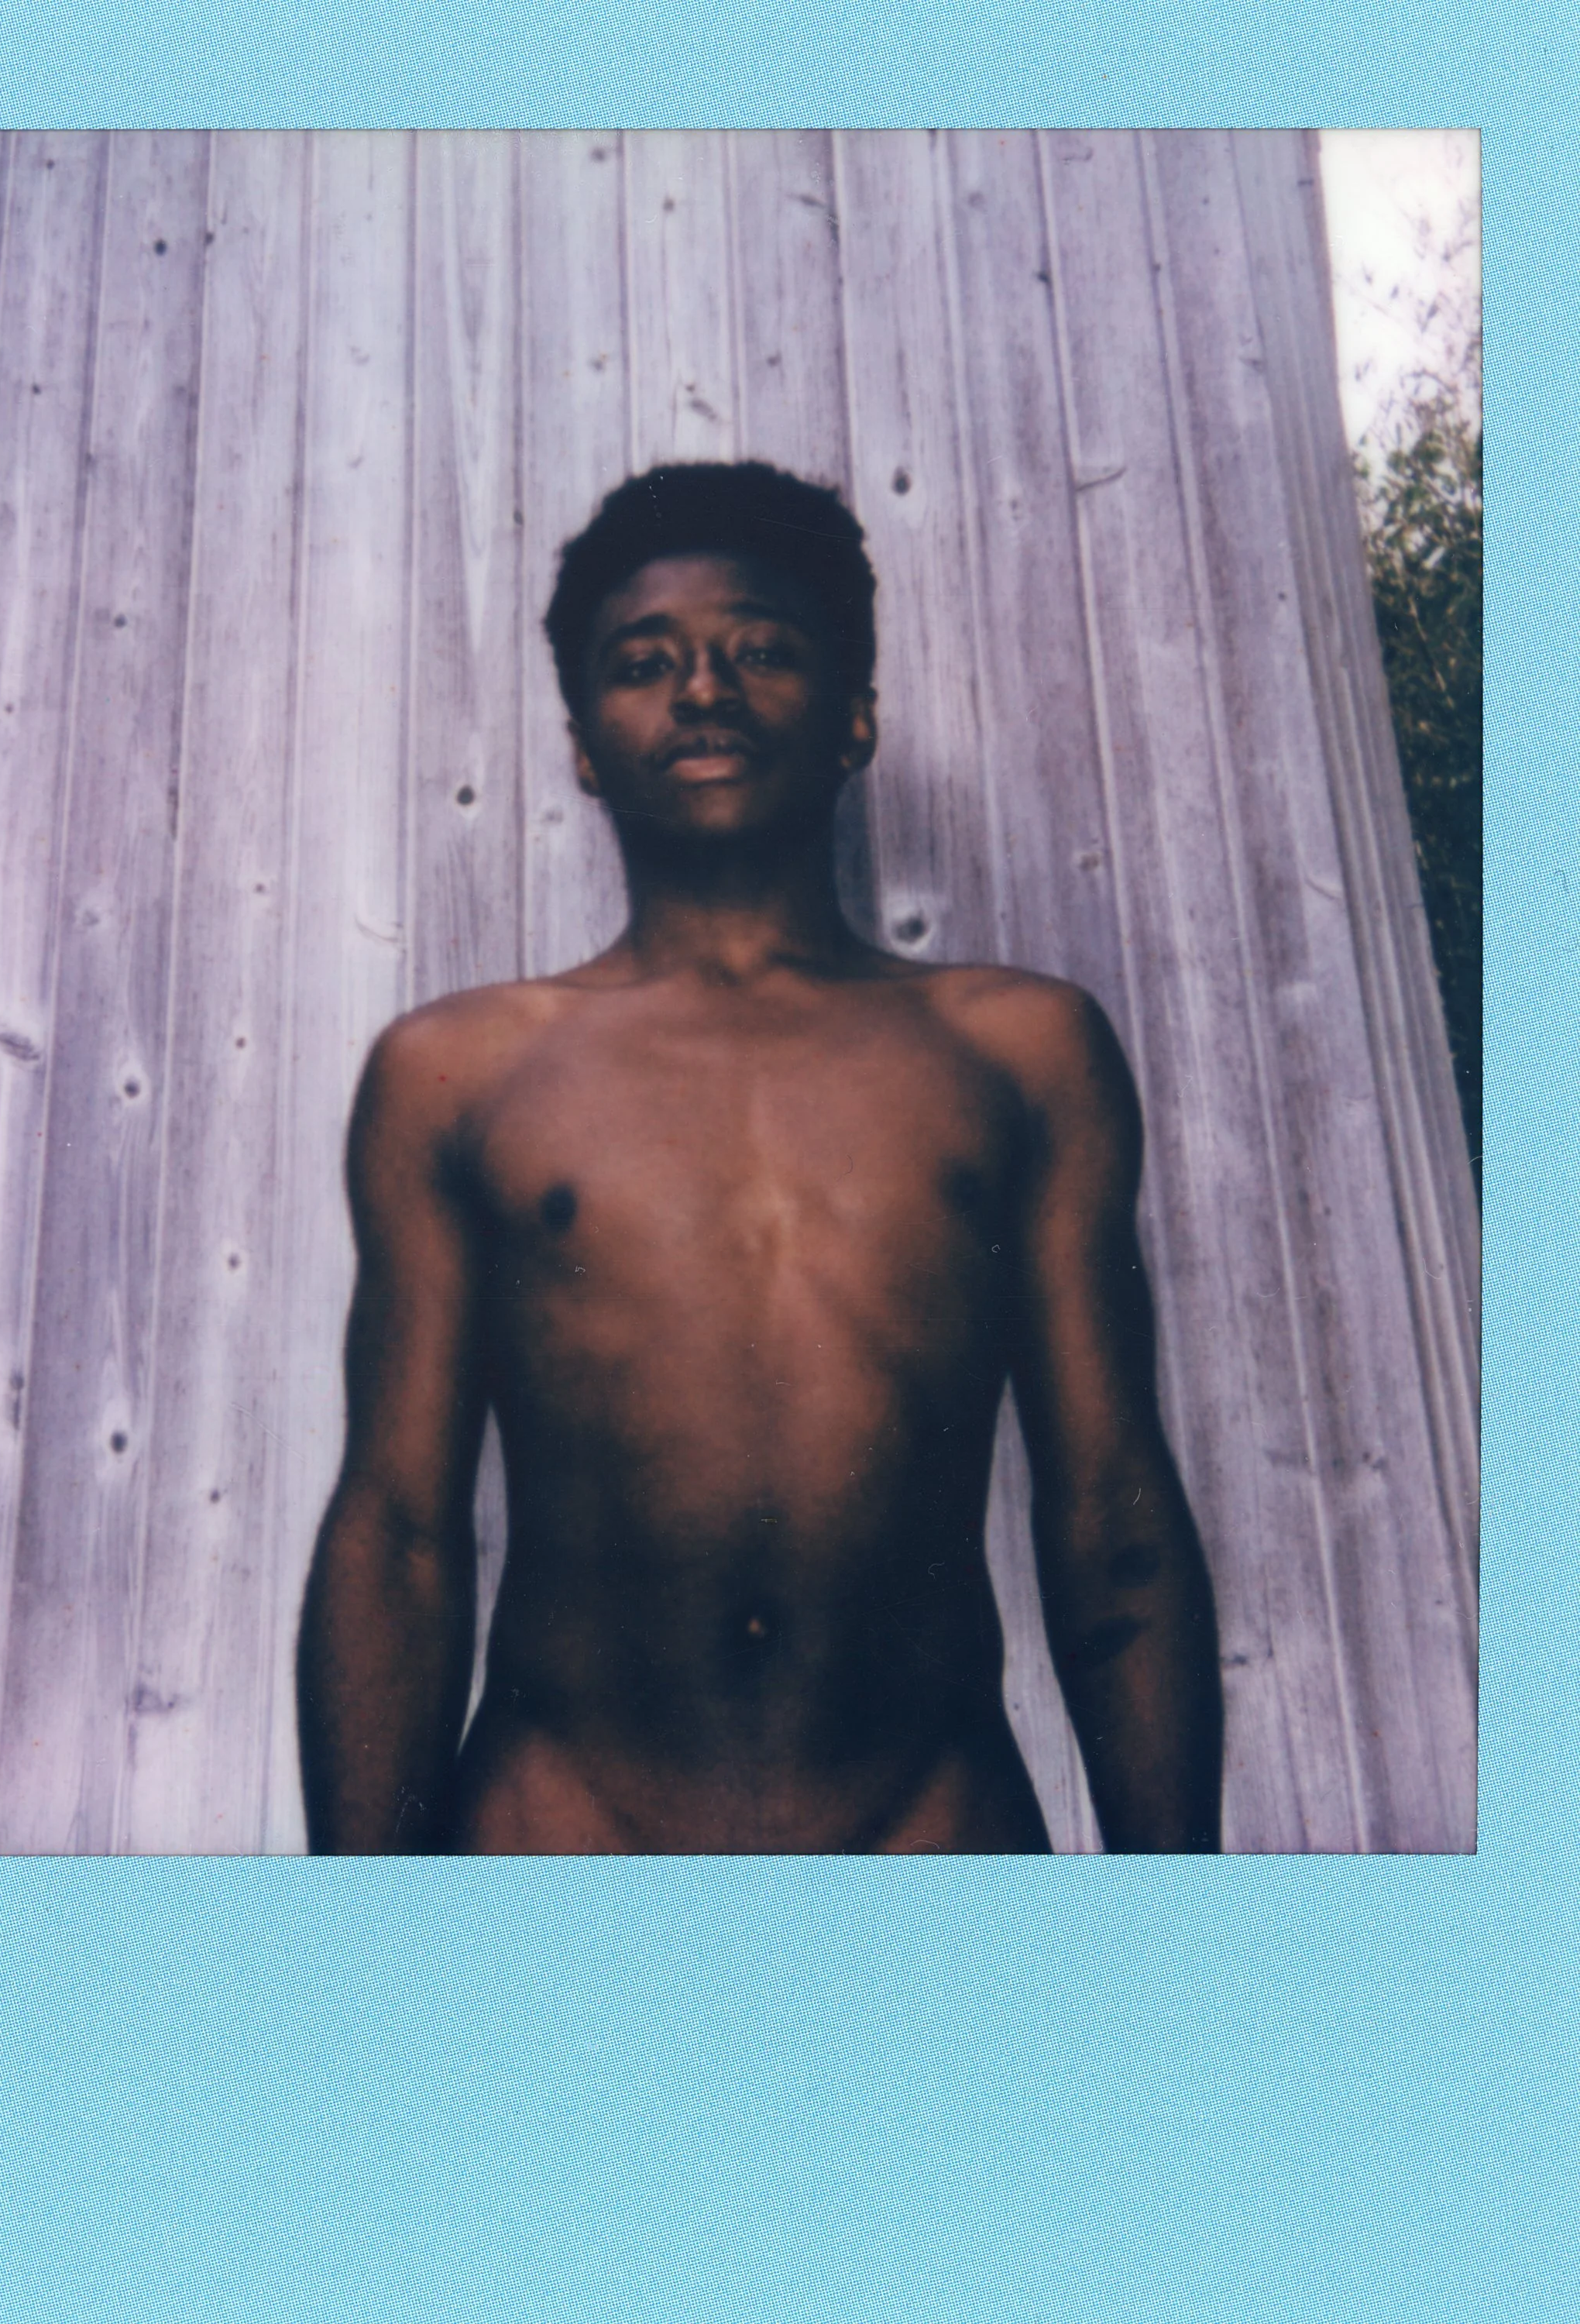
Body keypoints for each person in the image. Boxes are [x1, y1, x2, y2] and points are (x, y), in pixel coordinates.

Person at [295, 461, 1223, 1854]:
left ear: (855, 715)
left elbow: (1113, 1517)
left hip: (933, 1831)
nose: (706, 690)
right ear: (583, 744)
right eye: (646, 663)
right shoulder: (457, 1073)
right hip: (560, 1838)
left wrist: (1187, 1936)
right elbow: (399, 1534)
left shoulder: (1021, 1052)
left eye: (762, 650)